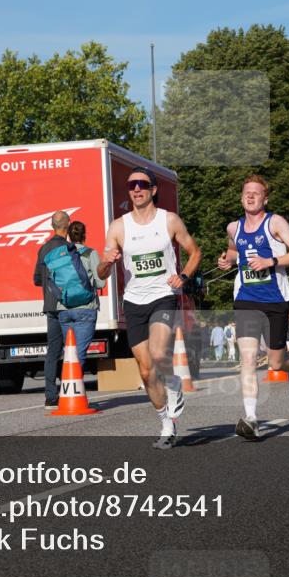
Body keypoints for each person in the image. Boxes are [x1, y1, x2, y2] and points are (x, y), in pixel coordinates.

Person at [98, 167, 201, 450]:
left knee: (158, 353)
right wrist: (107, 261)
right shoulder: (119, 226)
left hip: (163, 296)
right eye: (132, 185)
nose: (137, 189)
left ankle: (173, 383)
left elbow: (195, 252)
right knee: (145, 372)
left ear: (153, 190)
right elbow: (102, 273)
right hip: (134, 301)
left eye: (143, 184)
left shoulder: (169, 220)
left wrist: (184, 276)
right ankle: (166, 423)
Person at [217, 175, 289, 441]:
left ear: (265, 198)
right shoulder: (234, 227)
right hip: (245, 298)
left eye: (256, 193)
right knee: (247, 358)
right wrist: (227, 260)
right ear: (241, 196)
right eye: (247, 192)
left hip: (275, 299)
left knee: (275, 360)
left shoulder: (275, 222)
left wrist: (271, 260)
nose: (251, 196)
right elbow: (234, 251)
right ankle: (251, 418)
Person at [53, 221, 106, 371]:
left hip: (64, 308)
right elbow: (101, 284)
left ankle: (66, 387)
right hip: (85, 309)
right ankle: (73, 390)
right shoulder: (91, 254)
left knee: (69, 352)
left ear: (68, 235)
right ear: (84, 235)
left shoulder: (59, 255)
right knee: (79, 353)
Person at [34, 210, 71, 409]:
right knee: (73, 349)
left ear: (52, 225)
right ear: (67, 226)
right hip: (70, 305)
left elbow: (36, 279)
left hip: (51, 305)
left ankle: (50, 396)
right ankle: (72, 389)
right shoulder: (70, 248)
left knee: (53, 351)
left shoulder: (44, 249)